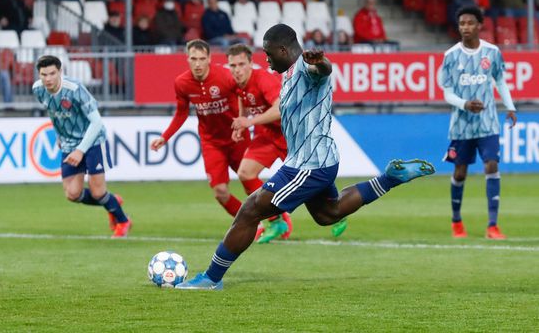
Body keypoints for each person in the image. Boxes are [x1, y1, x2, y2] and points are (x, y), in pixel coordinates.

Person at [176, 24, 435, 290]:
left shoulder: (304, 68)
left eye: (268, 53)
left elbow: (323, 71)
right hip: (318, 160)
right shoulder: (287, 74)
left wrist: (321, 62)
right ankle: (389, 179)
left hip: (308, 165)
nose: (265, 59)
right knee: (328, 213)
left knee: (250, 211)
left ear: (283, 49)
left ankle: (211, 278)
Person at [150, 39, 252, 219]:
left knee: (249, 179)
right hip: (211, 142)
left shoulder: (226, 76)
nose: (198, 64)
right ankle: (251, 223)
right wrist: (165, 137)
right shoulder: (182, 83)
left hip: (237, 137)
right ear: (187, 59)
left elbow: (246, 96)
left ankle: (277, 219)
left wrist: (244, 120)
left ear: (209, 58)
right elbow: (181, 114)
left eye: (202, 59)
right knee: (220, 192)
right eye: (193, 59)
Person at [32, 55, 131, 238]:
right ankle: (112, 201)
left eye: (52, 73)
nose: (48, 79)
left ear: (60, 72)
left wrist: (80, 150)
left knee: (98, 191)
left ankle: (123, 221)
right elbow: (54, 113)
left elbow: (96, 123)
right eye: (43, 74)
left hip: (93, 141)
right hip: (69, 144)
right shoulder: (38, 89)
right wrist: (58, 135)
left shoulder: (75, 89)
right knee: (72, 194)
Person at [441, 6, 517, 240]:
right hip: (462, 125)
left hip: (488, 122)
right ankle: (456, 221)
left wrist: (510, 107)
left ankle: (492, 226)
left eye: (470, 23)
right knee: (460, 172)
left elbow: (500, 81)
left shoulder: (492, 52)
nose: (465, 27)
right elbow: (447, 93)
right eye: (462, 23)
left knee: (492, 165)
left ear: (479, 25)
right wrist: (465, 104)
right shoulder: (451, 56)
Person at [226, 44, 293, 243]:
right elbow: (242, 98)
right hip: (268, 134)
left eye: (241, 64)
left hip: (290, 133)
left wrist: (249, 122)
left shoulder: (264, 79)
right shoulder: (238, 82)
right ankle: (276, 220)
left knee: (309, 182)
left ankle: (336, 211)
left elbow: (279, 109)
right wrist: (240, 122)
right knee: (245, 173)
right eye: (233, 65)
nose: (237, 69)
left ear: (250, 64)